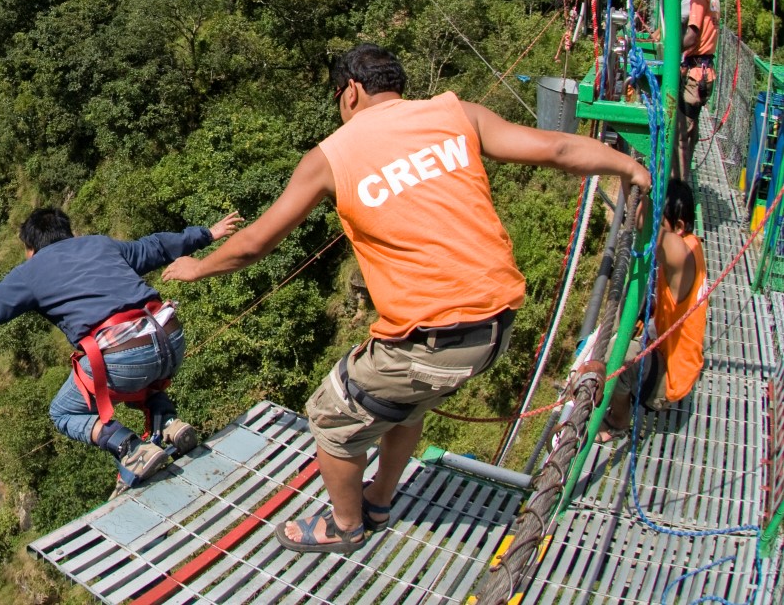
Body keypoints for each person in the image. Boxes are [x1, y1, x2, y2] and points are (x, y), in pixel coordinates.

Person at [163, 44, 650, 554]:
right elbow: (557, 149)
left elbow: (256, 242)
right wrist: (628, 167)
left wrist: (199, 267)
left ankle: (346, 525)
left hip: (434, 340)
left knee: (330, 413)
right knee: (407, 403)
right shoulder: (456, 113)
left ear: (349, 91)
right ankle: (379, 497)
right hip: (497, 326)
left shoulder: (332, 154)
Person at [0, 206, 241, 492]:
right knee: (138, 372)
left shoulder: (32, 272)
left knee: (63, 411)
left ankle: (130, 448)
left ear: (30, 249)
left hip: (122, 351)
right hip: (169, 335)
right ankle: (168, 423)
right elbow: (157, 246)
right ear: (70, 233)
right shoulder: (100, 244)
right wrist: (207, 233)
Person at [600, 177, 708, 441]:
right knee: (628, 326)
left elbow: (641, 222)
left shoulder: (680, 256)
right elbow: (644, 219)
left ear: (679, 227)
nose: (656, 228)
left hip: (669, 384)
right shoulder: (693, 245)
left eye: (662, 223)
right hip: (678, 362)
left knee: (617, 353)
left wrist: (626, 172)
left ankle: (618, 421)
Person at [677, 0, 720, 179]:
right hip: (706, 74)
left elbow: (692, 37)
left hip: (694, 76)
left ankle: (679, 190)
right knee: (691, 132)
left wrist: (671, 50)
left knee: (681, 138)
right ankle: (686, 184)